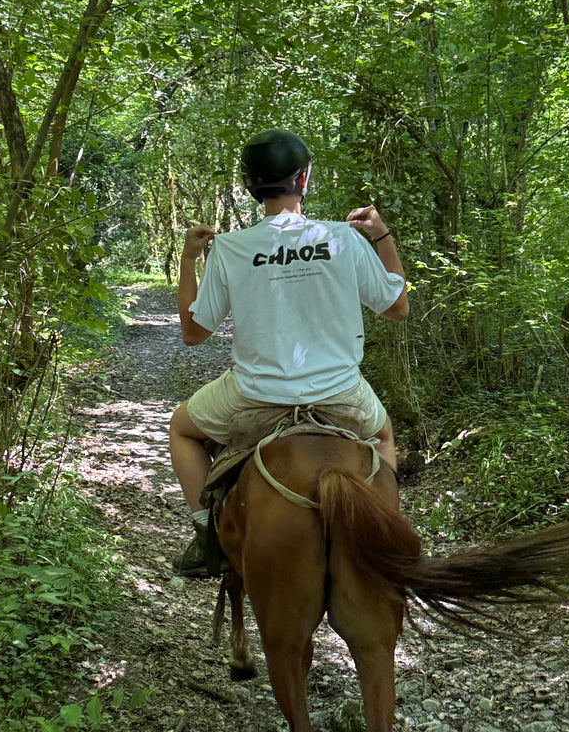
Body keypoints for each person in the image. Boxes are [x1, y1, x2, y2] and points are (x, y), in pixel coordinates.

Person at [168, 128, 409, 576]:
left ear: (250, 185)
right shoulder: (343, 238)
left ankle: (206, 537)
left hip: (255, 395)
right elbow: (397, 308)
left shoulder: (231, 248)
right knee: (382, 438)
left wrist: (187, 260)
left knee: (181, 429)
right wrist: (382, 236)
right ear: (304, 179)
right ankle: (388, 528)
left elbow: (193, 334)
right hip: (341, 392)